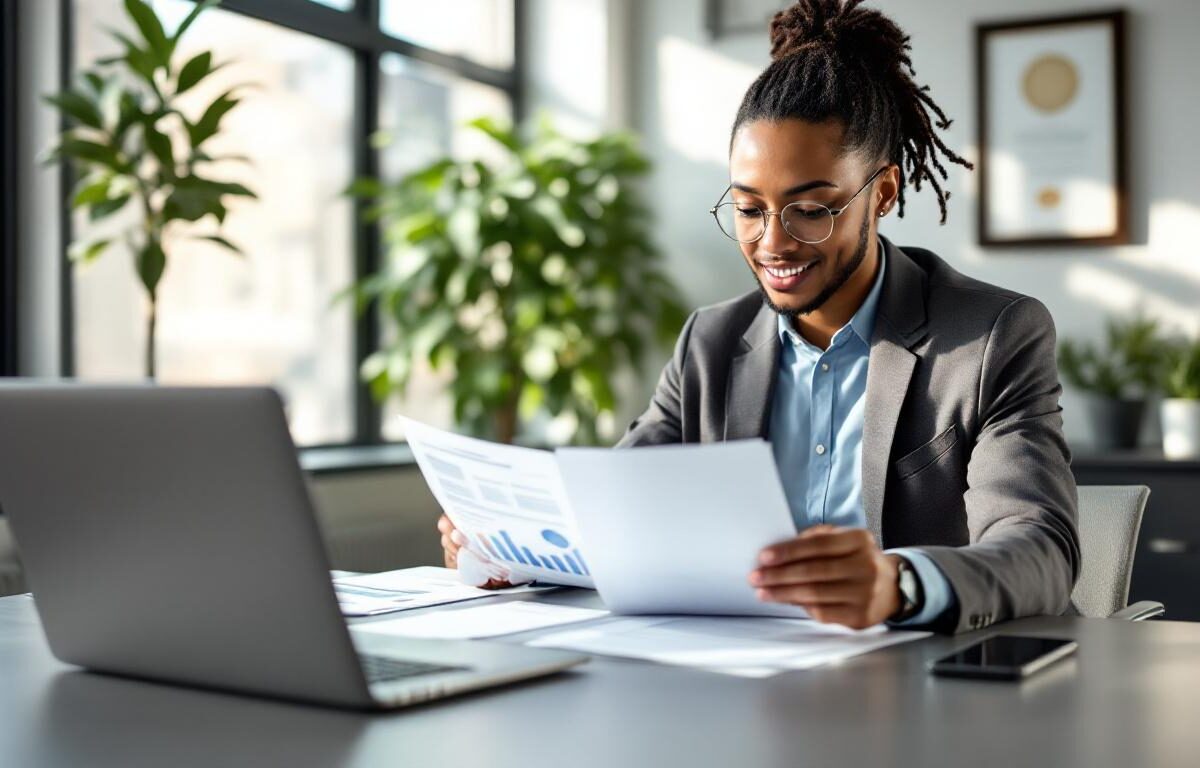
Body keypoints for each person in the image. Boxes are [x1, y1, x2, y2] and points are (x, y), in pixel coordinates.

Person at [440, 0, 1080, 634]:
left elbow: (1040, 547)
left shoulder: (992, 337)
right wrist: (513, 548)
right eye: (749, 210)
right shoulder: (710, 345)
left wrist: (900, 584)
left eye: (810, 210)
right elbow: (614, 512)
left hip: (930, 687)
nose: (772, 243)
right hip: (747, 684)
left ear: (882, 193)